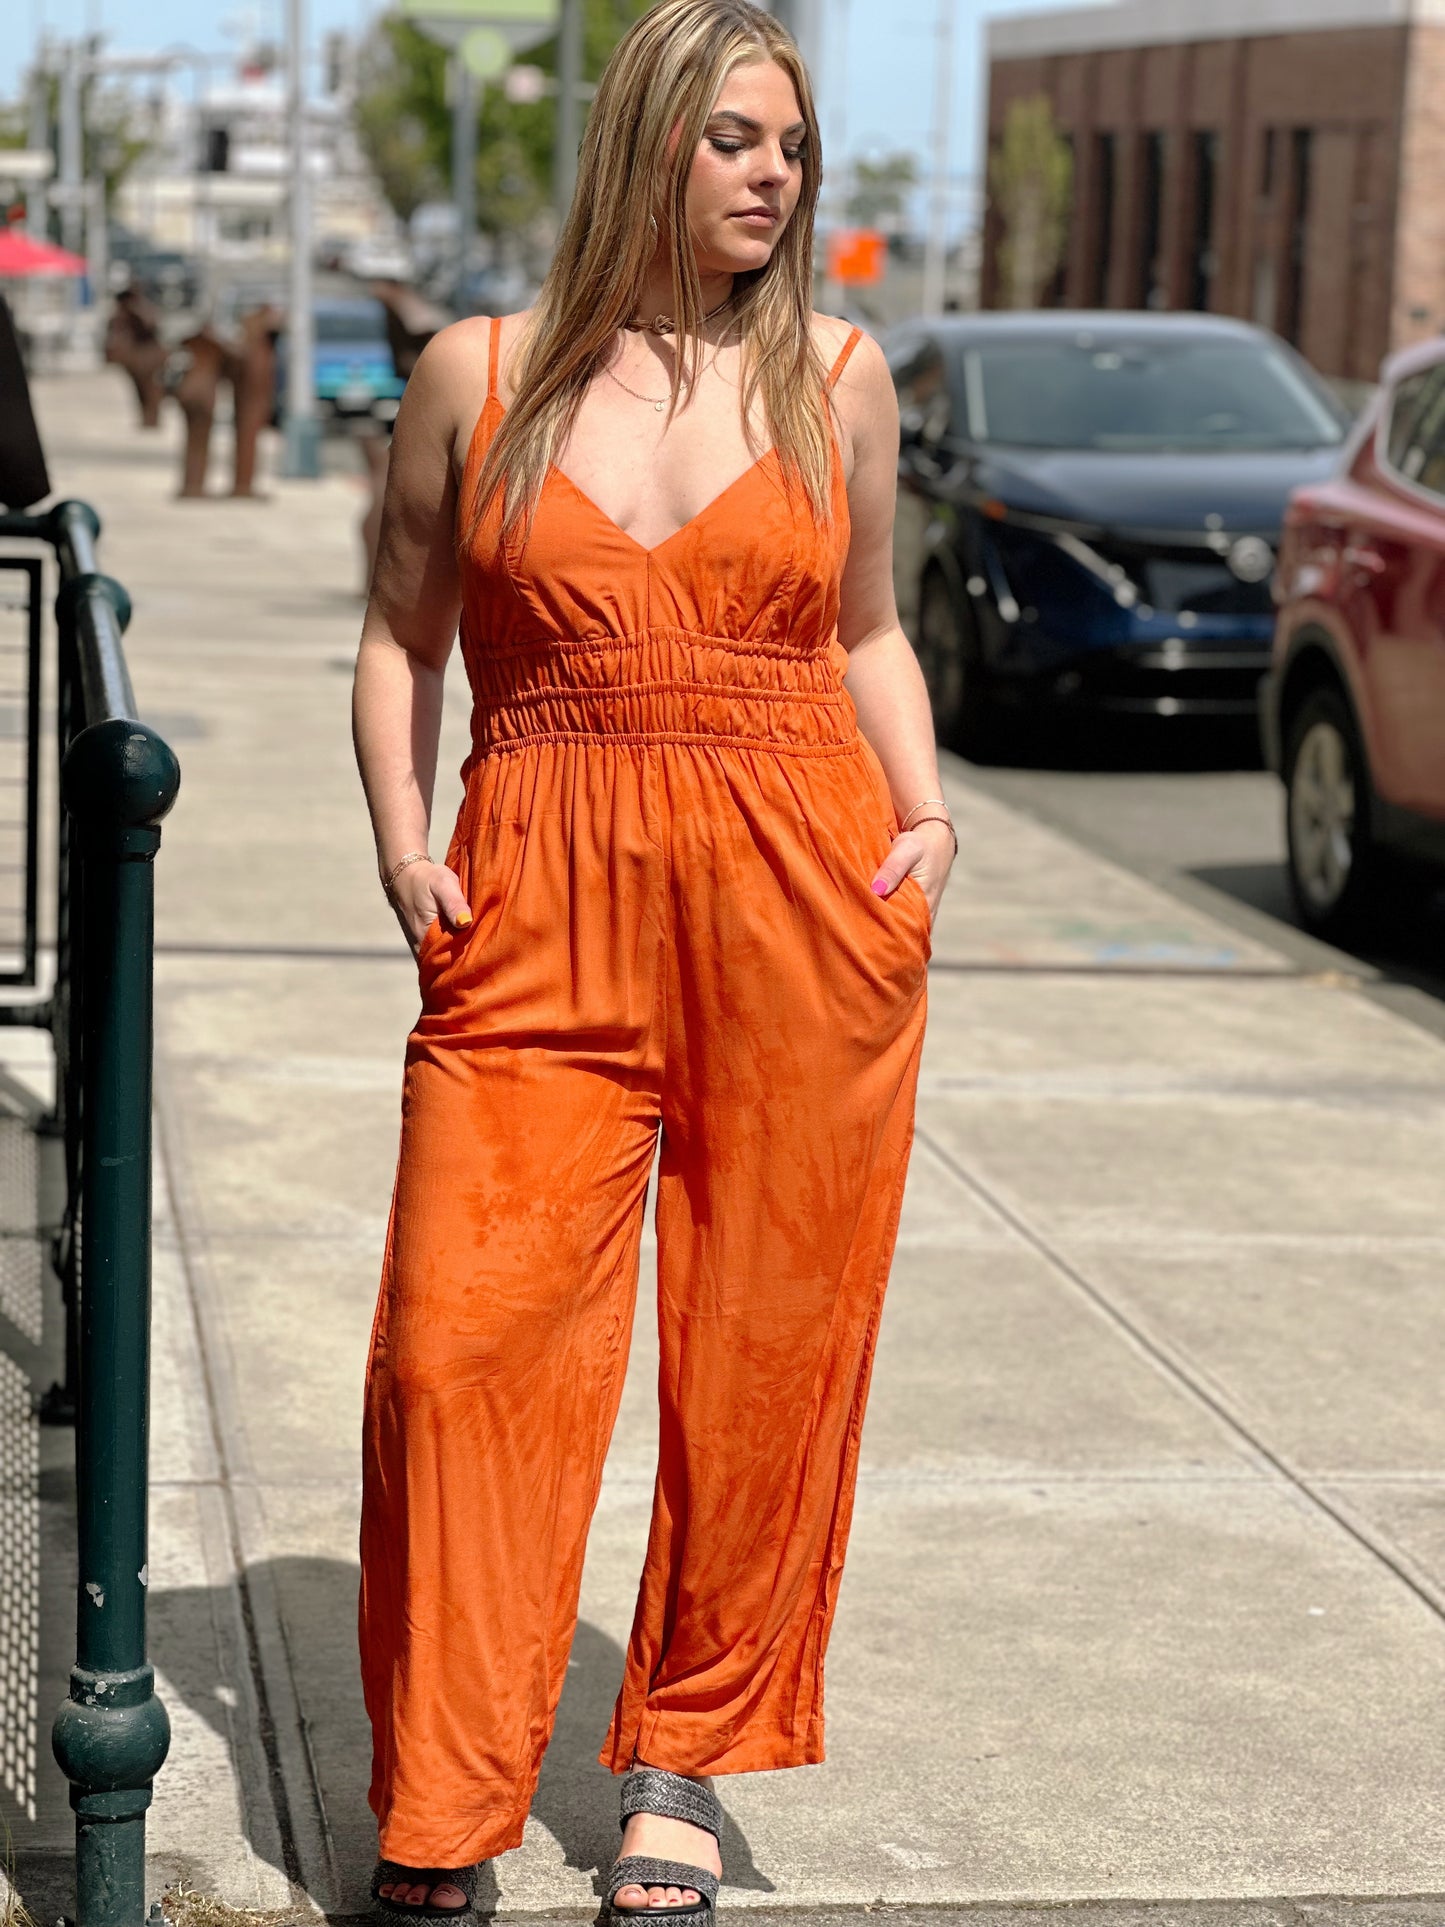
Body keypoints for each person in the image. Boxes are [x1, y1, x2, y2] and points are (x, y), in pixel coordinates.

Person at [350, 1, 956, 1919]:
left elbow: (865, 626)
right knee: (458, 1348)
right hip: (536, 905)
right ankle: (445, 1790)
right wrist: (402, 843)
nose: (776, 174)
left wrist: (925, 814)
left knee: (763, 1351)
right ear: (643, 143)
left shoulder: (837, 374)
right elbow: (400, 636)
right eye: (735, 139)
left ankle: (679, 1757)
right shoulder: (479, 373)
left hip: (801, 901)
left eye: (792, 144)